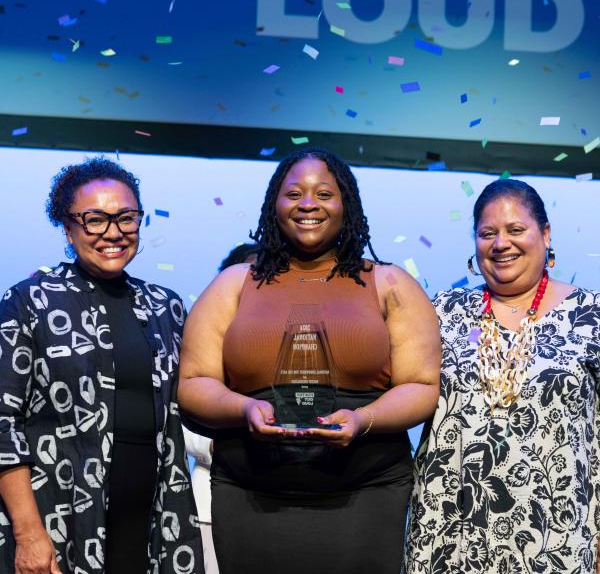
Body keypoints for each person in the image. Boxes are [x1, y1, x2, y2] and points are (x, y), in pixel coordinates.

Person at [178, 147, 441, 574]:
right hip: (250, 496)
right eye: (294, 193)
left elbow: (422, 386)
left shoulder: (390, 283)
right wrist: (243, 408)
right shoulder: (233, 284)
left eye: (324, 193)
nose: (307, 204)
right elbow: (192, 384)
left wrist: (362, 420)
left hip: (365, 494)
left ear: (346, 204)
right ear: (273, 204)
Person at [0, 157, 203, 574]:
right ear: (67, 225)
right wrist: (28, 534)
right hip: (60, 522)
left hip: (153, 518)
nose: (113, 232)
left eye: (126, 217)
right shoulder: (28, 302)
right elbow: (2, 426)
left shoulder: (166, 307)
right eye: (95, 219)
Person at [405, 178, 600, 573]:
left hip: (556, 535)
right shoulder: (442, 314)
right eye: (487, 233)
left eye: (516, 230)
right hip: (447, 534)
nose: (500, 244)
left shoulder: (591, 317)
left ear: (545, 235)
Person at [182, 244, 257, 574]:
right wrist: (220, 447)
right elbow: (178, 417)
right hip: (211, 505)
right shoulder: (204, 343)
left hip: (286, 506)